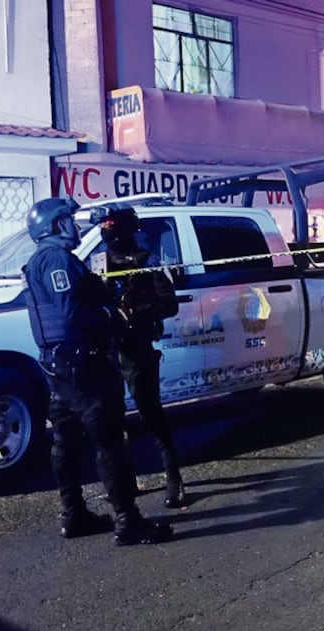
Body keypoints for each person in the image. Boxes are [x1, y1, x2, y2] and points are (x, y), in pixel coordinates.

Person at [21, 198, 173, 546]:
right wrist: (110, 316)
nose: (74, 226)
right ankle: (128, 521)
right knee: (109, 440)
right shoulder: (57, 260)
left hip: (59, 365)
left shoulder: (39, 261)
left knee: (65, 439)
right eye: (68, 220)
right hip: (83, 364)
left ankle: (73, 513)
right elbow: (72, 314)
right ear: (55, 225)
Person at [96, 206, 187, 509]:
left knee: (151, 414)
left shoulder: (148, 261)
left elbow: (169, 305)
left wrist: (135, 312)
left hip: (138, 348)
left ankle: (174, 478)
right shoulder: (100, 263)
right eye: (105, 226)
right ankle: (126, 482)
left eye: (111, 225)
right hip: (109, 351)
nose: (108, 231)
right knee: (112, 419)